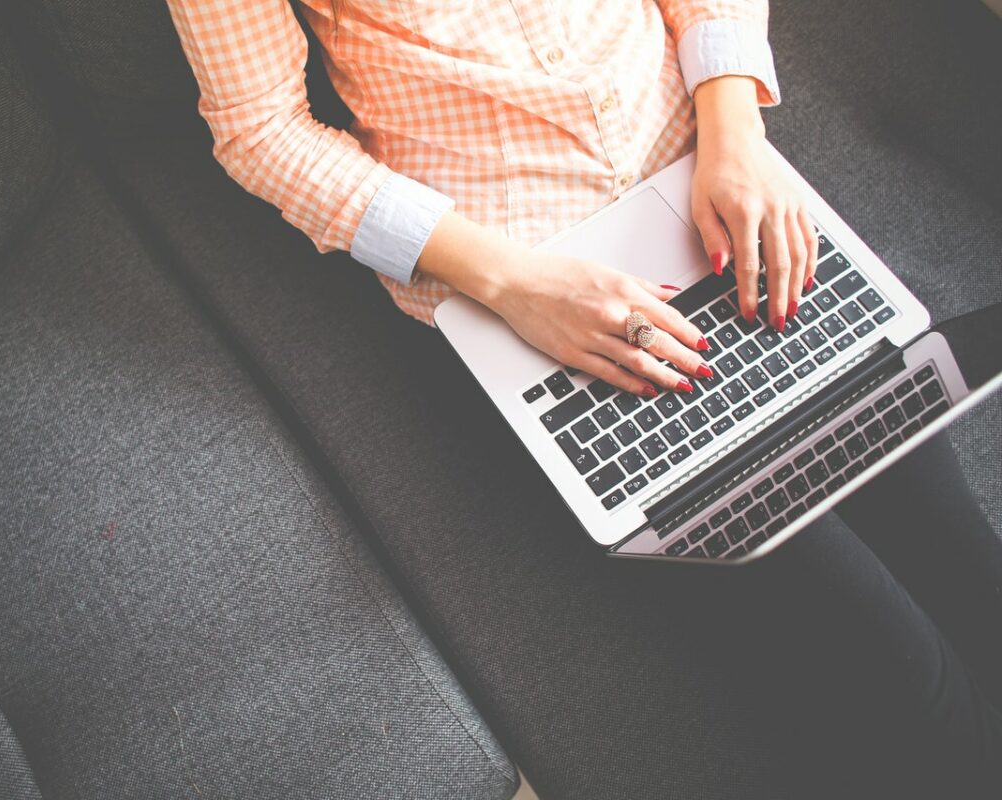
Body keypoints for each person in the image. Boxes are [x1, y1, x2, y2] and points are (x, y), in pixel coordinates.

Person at [166, 1, 1002, 793]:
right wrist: (516, 282)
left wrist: (737, 133)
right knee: (906, 681)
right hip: (528, 286)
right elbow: (261, 130)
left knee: (968, 569)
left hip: (706, 187)